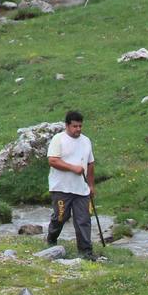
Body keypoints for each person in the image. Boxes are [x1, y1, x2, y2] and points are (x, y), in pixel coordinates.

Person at [45, 110, 98, 260]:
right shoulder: (58, 139)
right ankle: (51, 238)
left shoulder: (86, 141)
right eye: (75, 126)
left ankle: (86, 251)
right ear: (67, 125)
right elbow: (52, 161)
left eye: (80, 126)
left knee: (84, 219)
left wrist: (91, 186)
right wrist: (73, 168)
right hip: (61, 187)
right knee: (61, 216)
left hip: (81, 189)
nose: (78, 129)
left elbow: (91, 164)